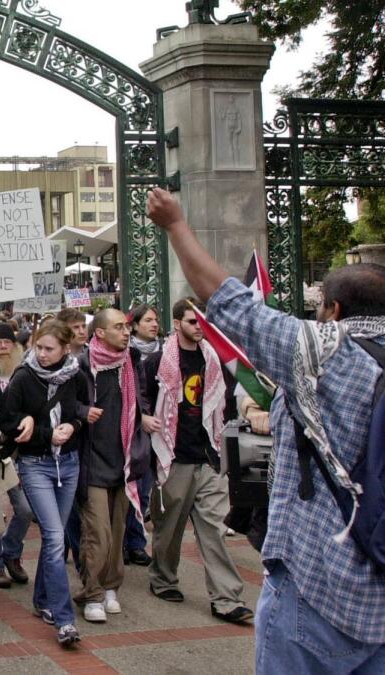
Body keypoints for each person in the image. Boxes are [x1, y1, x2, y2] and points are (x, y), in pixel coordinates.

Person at [148, 188, 385, 672]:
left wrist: (176, 225)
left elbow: (228, 303)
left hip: (319, 586)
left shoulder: (326, 353)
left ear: (333, 312)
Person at [142, 298, 252, 623]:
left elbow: (228, 404)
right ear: (176, 323)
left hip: (209, 458)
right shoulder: (157, 361)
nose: (198, 328)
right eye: (192, 322)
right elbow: (142, 401)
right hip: (174, 459)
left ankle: (227, 599)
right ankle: (163, 578)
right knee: (169, 529)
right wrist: (144, 419)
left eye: (202, 322)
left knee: (215, 531)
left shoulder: (216, 361)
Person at [0, 319, 87, 646]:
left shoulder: (75, 374)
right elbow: (5, 418)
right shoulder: (23, 376)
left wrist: (73, 426)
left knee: (54, 541)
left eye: (50, 349)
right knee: (54, 536)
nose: (43, 354)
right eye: (38, 347)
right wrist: (31, 423)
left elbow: (81, 410)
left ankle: (41, 600)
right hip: (36, 463)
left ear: (65, 349)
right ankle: (64, 620)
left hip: (69, 462)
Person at [74, 308, 147, 623]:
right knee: (97, 533)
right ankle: (91, 593)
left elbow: (141, 402)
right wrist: (82, 410)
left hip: (124, 461)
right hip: (92, 462)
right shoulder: (81, 365)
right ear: (100, 333)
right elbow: (66, 403)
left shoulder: (132, 361)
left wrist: (148, 419)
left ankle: (110, 588)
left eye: (127, 327)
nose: (126, 332)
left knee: (117, 533)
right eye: (118, 327)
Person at [0, 323, 33, 589]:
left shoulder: (24, 373)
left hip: (16, 453)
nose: (2, 346)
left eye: (7, 342)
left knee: (24, 508)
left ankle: (11, 551)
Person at [123, 304, 161, 567]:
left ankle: (135, 542)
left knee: (145, 492)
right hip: (134, 431)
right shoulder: (126, 354)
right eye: (148, 320)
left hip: (160, 429)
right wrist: (140, 416)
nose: (154, 324)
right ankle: (130, 542)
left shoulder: (168, 351)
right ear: (134, 324)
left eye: (156, 320)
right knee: (132, 490)